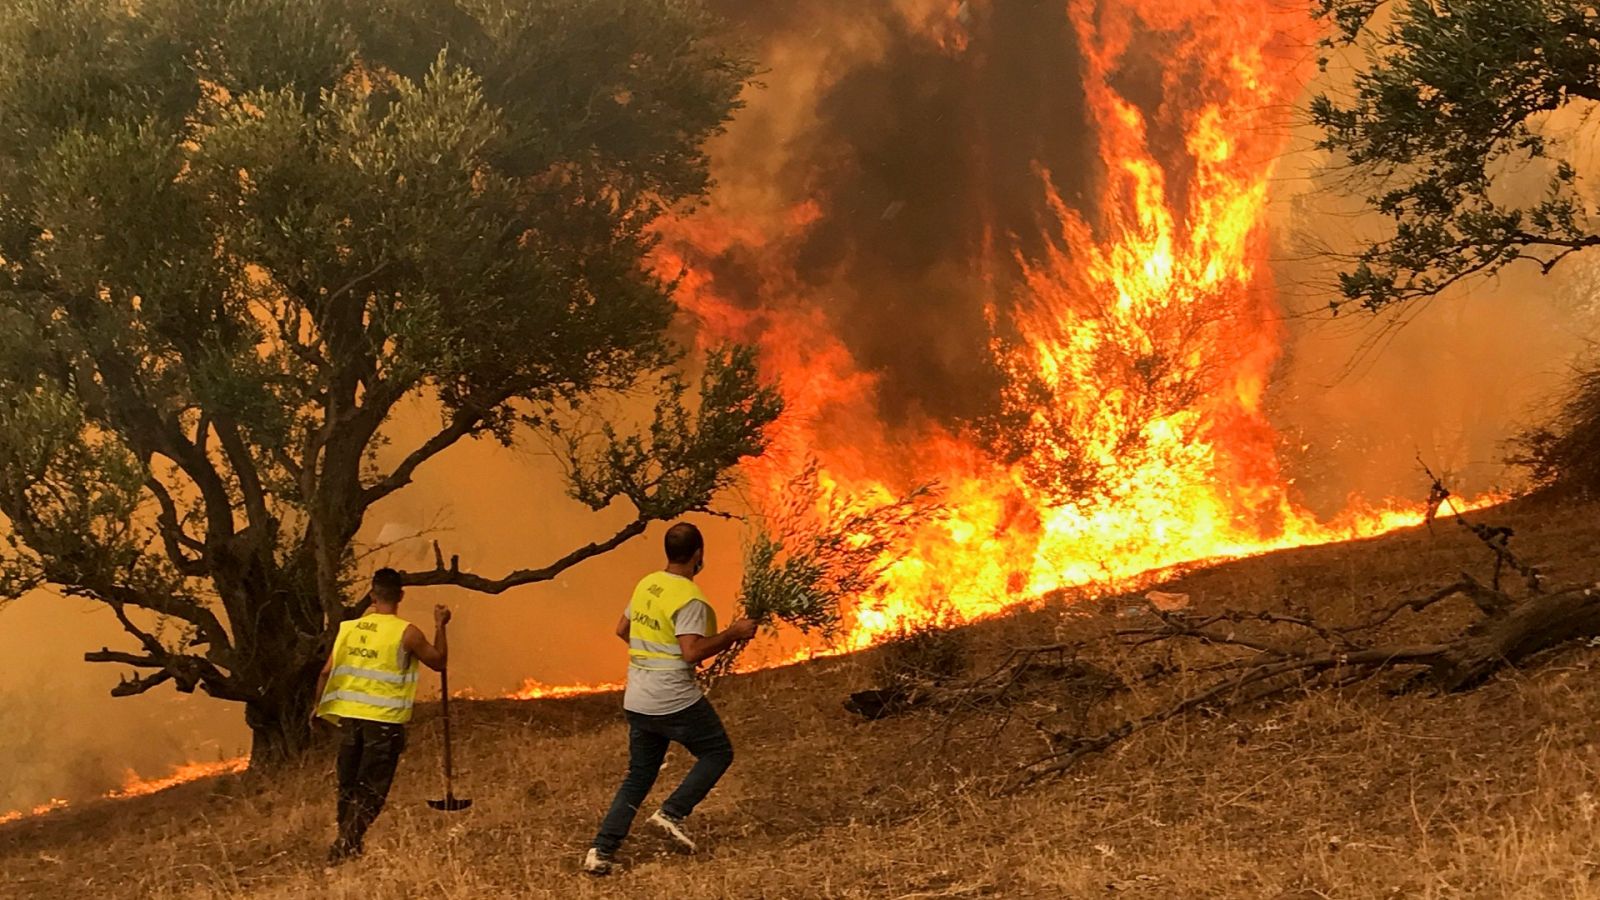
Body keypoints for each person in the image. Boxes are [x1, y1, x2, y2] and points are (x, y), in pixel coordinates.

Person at [583, 522, 758, 875]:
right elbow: (692, 652)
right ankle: (671, 813)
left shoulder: (648, 583)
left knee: (639, 776)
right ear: (698, 554)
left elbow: (622, 630)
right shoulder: (689, 598)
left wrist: (651, 655)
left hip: (637, 696)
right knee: (717, 752)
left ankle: (601, 851)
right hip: (672, 696)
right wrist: (734, 633)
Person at [313, 567, 450, 865]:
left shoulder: (349, 629)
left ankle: (347, 843)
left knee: (348, 784)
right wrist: (440, 626)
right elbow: (438, 662)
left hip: (350, 721)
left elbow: (326, 672)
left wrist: (318, 709)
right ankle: (345, 845)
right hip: (384, 723)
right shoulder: (407, 633)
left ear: (373, 595)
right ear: (400, 595)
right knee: (372, 788)